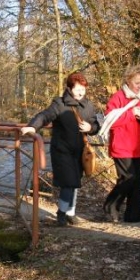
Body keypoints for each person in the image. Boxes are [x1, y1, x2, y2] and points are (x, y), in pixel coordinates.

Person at [21, 72, 100, 226]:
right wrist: (31, 127)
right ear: (70, 88)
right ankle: (61, 214)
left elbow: (96, 125)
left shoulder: (89, 105)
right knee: (69, 183)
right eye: (78, 89)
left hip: (80, 152)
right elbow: (44, 116)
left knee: (75, 182)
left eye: (83, 89)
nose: (81, 92)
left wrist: (91, 127)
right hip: (62, 151)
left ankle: (70, 213)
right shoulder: (59, 103)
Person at [102, 65, 140, 223]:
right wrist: (132, 114)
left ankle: (133, 216)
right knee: (128, 179)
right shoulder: (118, 97)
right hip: (122, 146)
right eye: (137, 82)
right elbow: (111, 121)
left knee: (138, 182)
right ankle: (111, 205)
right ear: (128, 80)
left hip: (138, 147)